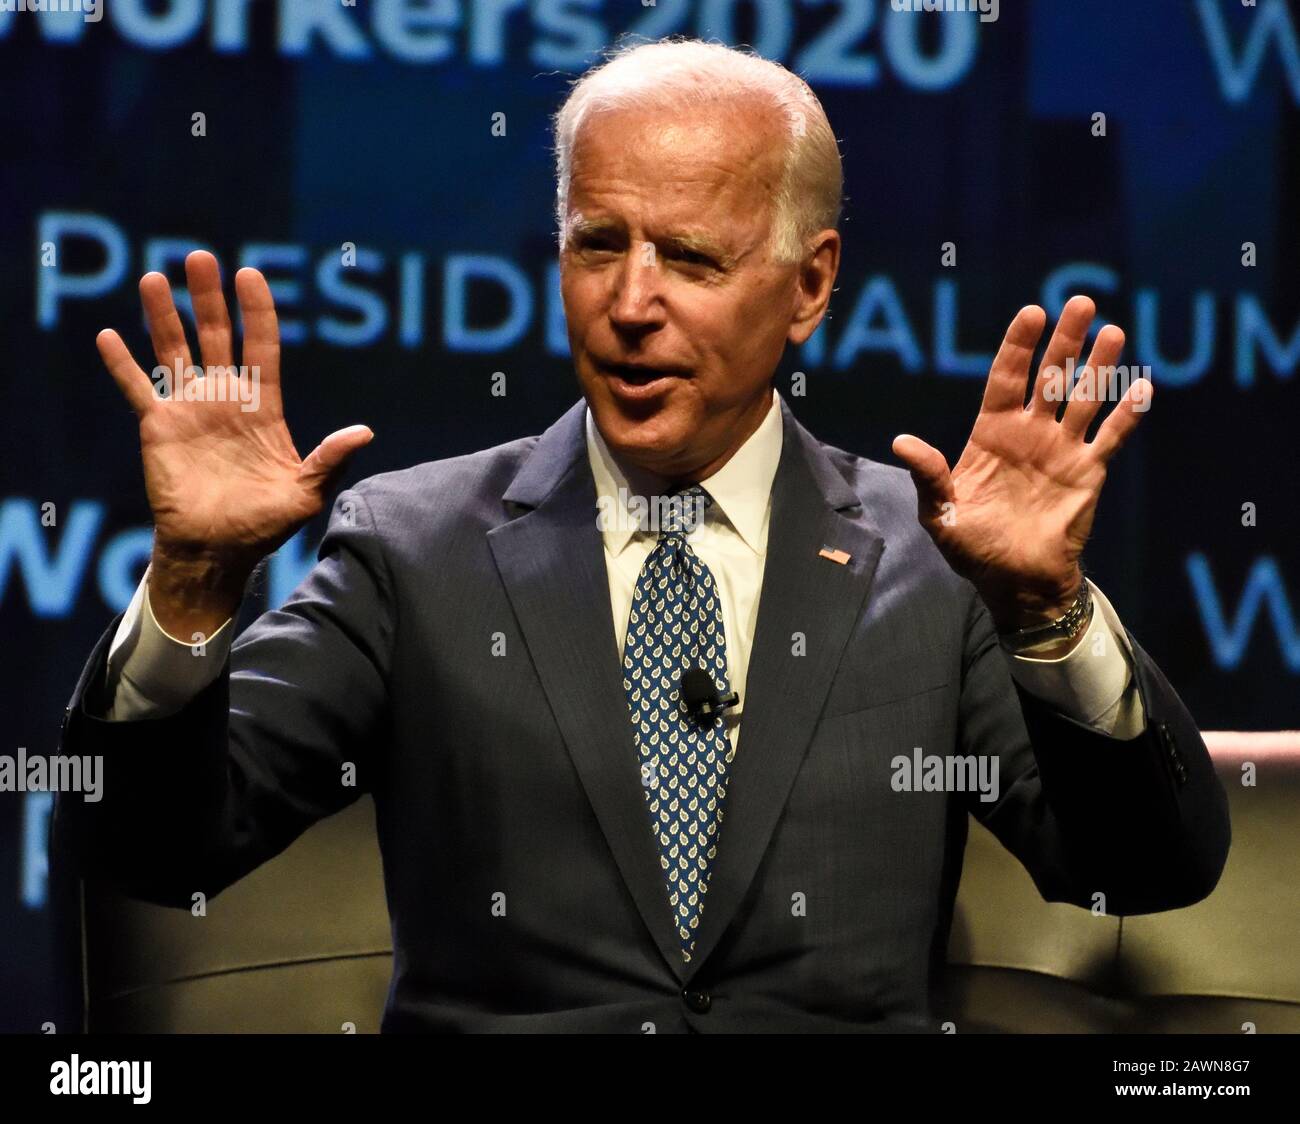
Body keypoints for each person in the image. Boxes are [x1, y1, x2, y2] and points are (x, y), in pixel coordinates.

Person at [56, 38, 1229, 1033]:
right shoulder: (413, 550)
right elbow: (155, 851)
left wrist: (1045, 615)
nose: (629, 304)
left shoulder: (934, 564)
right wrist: (195, 585)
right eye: (598, 243)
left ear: (809, 285)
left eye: (691, 258)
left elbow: (1144, 869)